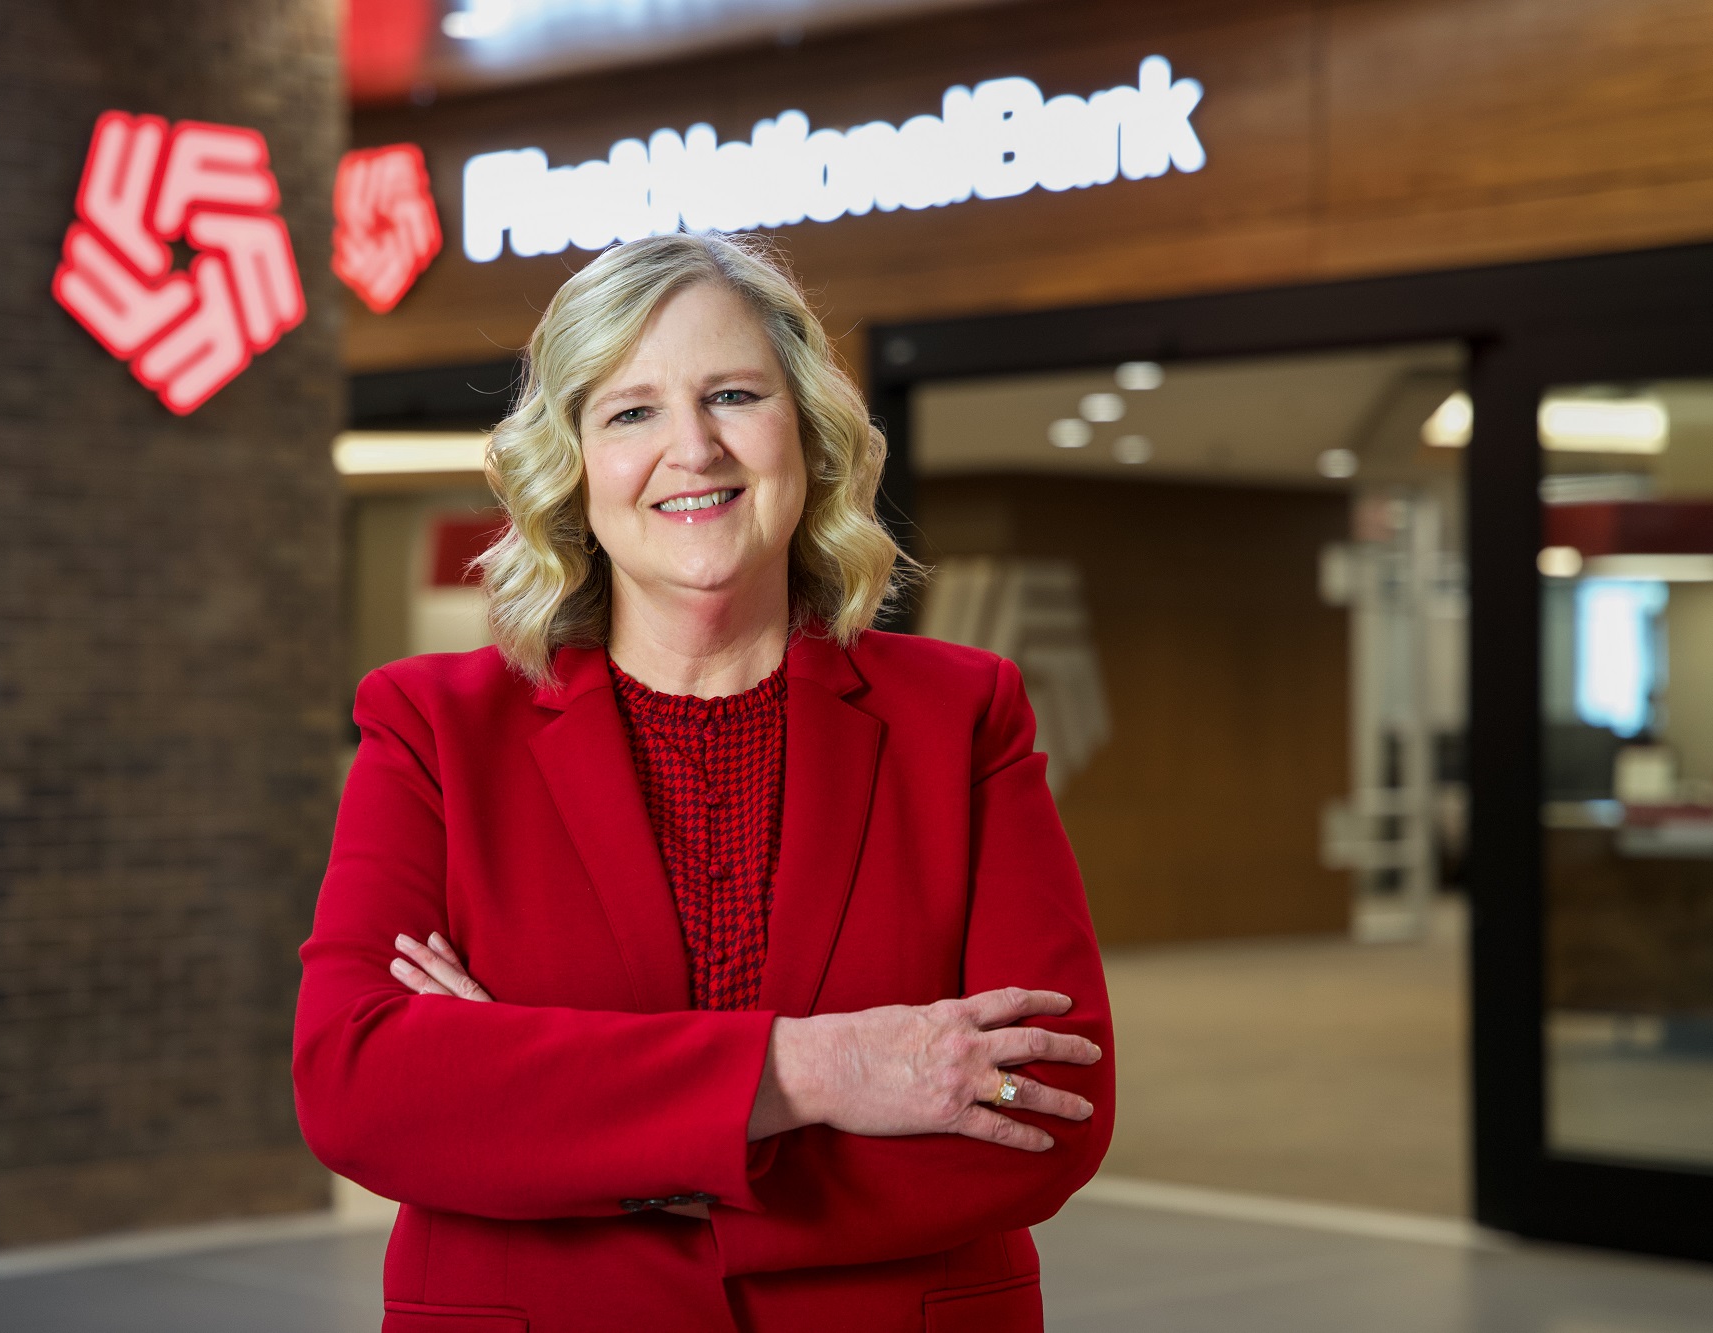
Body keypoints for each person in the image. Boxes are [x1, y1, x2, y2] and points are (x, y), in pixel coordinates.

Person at [294, 232, 1114, 1333]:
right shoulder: (432, 727)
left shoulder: (963, 717)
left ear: (809, 437)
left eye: (731, 393)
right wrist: (818, 1069)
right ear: (571, 462)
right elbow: (359, 1084)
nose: (692, 446)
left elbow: (1053, 1105)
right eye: (629, 411)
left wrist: (560, 1116)